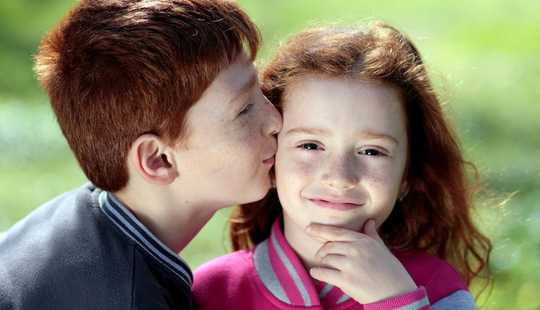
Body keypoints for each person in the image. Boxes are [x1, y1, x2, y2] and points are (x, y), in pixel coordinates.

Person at [0, 0, 281, 309]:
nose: (276, 120)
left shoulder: (84, 218)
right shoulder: (127, 299)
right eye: (244, 109)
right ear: (158, 160)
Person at [193, 22, 492, 309]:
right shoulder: (211, 290)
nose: (339, 177)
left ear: (408, 175)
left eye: (372, 151)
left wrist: (396, 301)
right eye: (310, 145)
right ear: (271, 158)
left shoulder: (437, 286)